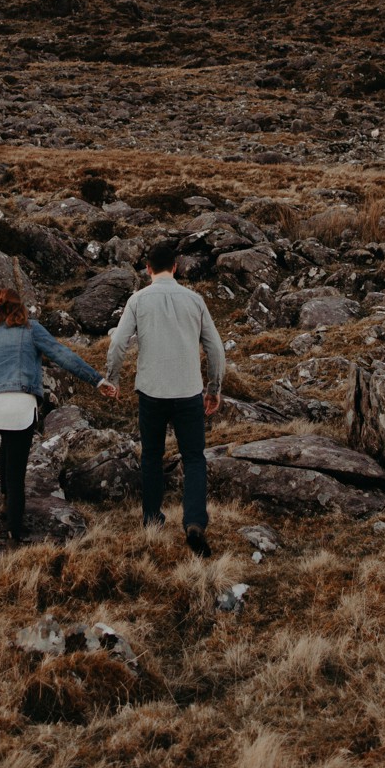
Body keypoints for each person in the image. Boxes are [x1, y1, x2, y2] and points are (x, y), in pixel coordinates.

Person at [0, 287, 117, 545]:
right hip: (20, 404)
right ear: (21, 308)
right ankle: (14, 534)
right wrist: (97, 380)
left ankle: (5, 498)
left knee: (8, 444)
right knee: (17, 470)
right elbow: (63, 355)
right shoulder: (31, 329)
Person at [105, 238, 226, 557]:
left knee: (151, 457)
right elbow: (216, 349)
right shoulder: (194, 300)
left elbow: (117, 345)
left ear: (148, 270)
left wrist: (112, 378)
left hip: (152, 391)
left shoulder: (138, 300)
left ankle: (152, 520)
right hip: (188, 392)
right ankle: (195, 522)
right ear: (175, 268)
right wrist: (214, 389)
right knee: (195, 458)